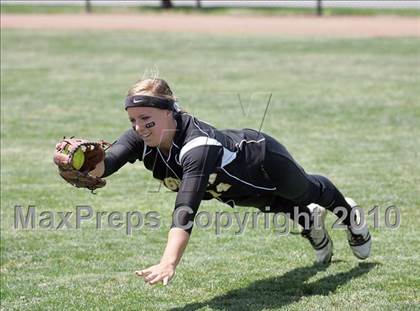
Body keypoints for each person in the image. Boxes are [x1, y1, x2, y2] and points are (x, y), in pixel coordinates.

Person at [90, 78, 371, 286]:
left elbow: (185, 209)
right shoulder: (140, 137)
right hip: (232, 187)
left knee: (303, 191)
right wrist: (84, 166)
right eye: (133, 120)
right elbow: (108, 163)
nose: (138, 127)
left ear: (169, 111)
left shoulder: (198, 145)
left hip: (262, 160)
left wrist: (168, 262)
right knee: (273, 204)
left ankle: (349, 214)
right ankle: (310, 220)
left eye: (145, 118)